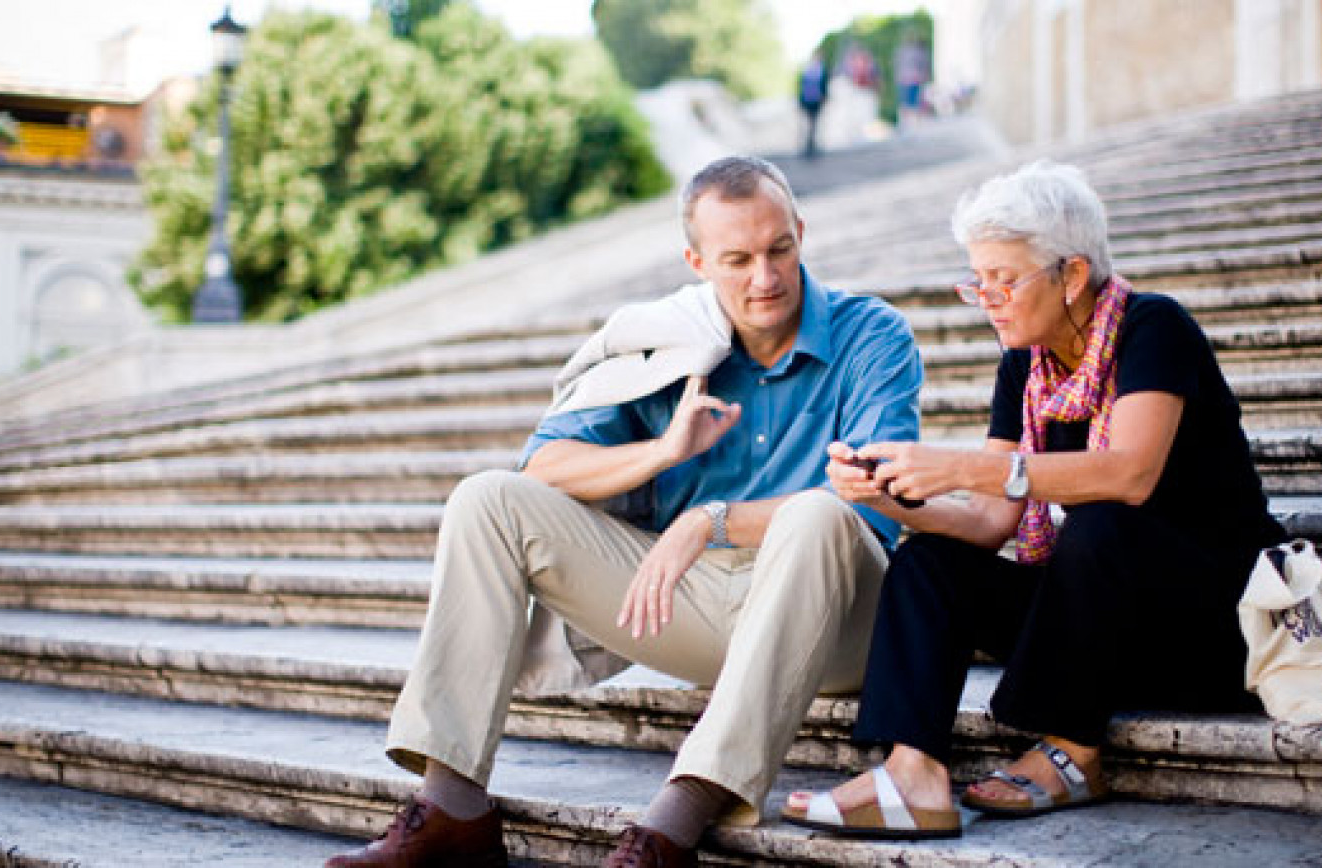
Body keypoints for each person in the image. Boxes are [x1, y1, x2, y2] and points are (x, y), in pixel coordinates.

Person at [323, 155, 924, 868]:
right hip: (693, 605)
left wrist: (711, 519)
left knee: (819, 515)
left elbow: (873, 507)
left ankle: (676, 821)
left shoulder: (872, 335)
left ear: (800, 231)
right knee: (487, 499)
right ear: (696, 260)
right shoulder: (666, 342)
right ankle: (453, 808)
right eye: (737, 260)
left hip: (835, 619)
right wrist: (664, 451)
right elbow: (545, 467)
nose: (764, 279)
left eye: (779, 250)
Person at [781, 161, 1287, 837]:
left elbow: (1128, 473)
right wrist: (893, 496)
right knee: (931, 561)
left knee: (1103, 521)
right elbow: (991, 522)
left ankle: (1074, 753)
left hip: (1215, 627)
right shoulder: (1025, 362)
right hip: (1103, 625)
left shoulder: (1153, 328)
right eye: (978, 280)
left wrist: (963, 464)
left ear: (1072, 275)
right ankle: (914, 772)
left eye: (1004, 278)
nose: (987, 296)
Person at [798, 51, 828, 158]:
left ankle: (810, 147)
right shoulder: (820, 70)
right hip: (813, 102)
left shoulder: (808, 70)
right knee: (812, 125)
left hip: (810, 101)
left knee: (811, 125)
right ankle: (810, 147)